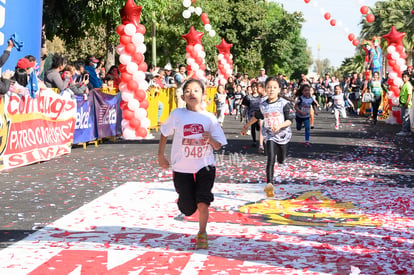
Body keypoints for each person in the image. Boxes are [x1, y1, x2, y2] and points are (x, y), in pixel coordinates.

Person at [158, 79, 227, 249]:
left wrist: (210, 139)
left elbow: (219, 145)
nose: (192, 93)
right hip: (182, 167)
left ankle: (202, 233)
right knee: (187, 208)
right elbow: (164, 132)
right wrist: (161, 155)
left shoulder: (209, 118)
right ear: (183, 96)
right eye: (188, 91)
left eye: (196, 90)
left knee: (203, 201)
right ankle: (185, 202)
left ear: (204, 95)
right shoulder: (177, 114)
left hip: (205, 166)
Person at [241, 77, 295, 197]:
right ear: (265, 89)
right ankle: (269, 184)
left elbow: (290, 120)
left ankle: (281, 158)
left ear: (279, 89)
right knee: (271, 157)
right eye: (269, 87)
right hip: (270, 134)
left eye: (274, 87)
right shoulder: (263, 105)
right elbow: (257, 116)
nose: (271, 90)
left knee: (281, 159)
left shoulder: (284, 104)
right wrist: (246, 126)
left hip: (283, 135)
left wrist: (280, 126)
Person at [242, 82, 262, 147]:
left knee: (259, 127)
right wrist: (244, 114)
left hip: (260, 114)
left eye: (256, 87)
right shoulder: (248, 97)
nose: (254, 88)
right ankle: (254, 141)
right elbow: (246, 106)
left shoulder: (261, 96)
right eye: (253, 87)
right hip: (251, 114)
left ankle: (262, 140)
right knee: (252, 127)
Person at [396, 72, 412, 136]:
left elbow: (409, 95)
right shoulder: (404, 84)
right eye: (403, 77)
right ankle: (406, 130)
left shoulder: (408, 85)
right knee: (403, 117)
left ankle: (405, 131)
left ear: (408, 78)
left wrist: (407, 103)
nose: (403, 78)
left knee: (405, 117)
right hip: (402, 103)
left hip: (406, 104)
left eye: (405, 77)